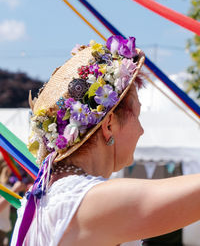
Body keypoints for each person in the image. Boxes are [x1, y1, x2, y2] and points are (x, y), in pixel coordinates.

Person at [11, 35, 200, 246]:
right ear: (109, 124)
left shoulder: (40, 200)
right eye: (137, 115)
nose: (142, 130)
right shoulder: (86, 200)